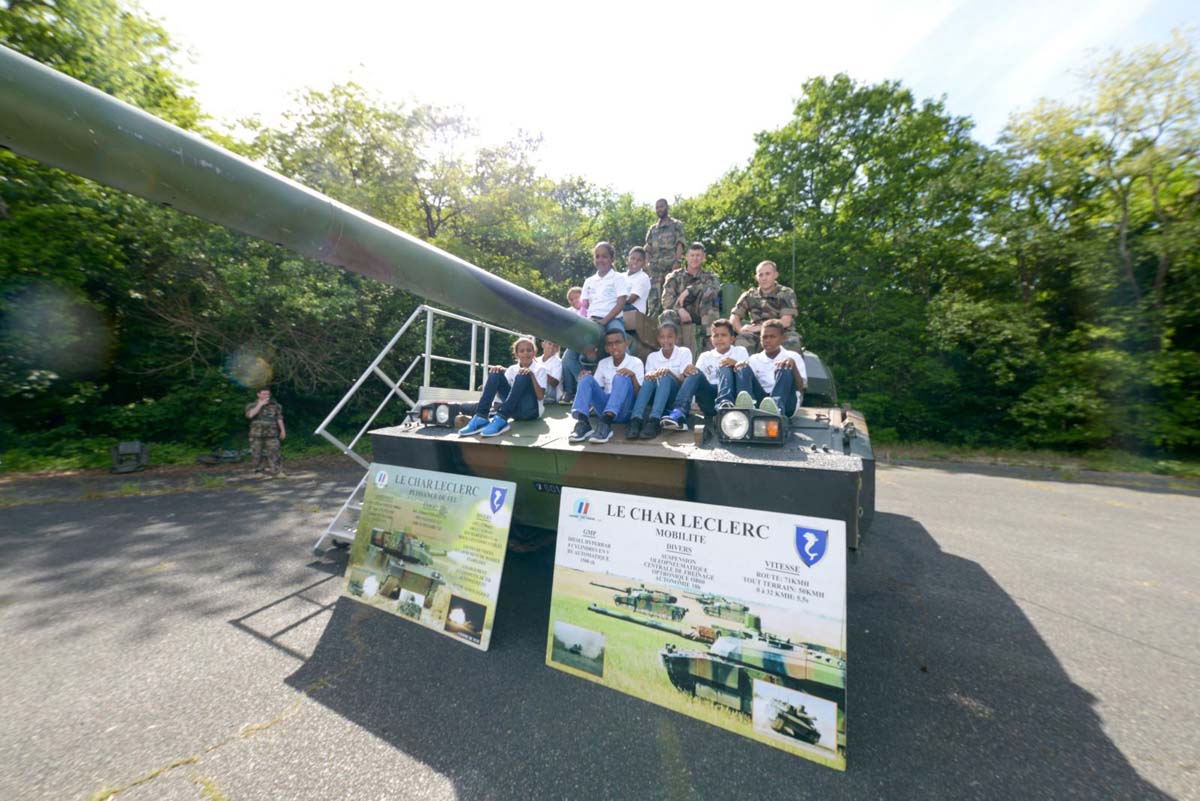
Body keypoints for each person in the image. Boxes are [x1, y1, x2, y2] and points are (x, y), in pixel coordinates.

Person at [563, 243, 628, 402]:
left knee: (621, 343)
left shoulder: (618, 278)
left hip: (612, 319)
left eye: (604, 256)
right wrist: (584, 324)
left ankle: (627, 381)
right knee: (569, 358)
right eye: (597, 256)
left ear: (612, 259)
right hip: (591, 321)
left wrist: (604, 321)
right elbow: (584, 307)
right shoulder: (589, 281)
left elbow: (620, 303)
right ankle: (588, 386)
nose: (600, 259)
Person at [661, 319, 749, 431]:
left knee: (725, 366)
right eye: (715, 336)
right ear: (711, 339)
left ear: (732, 338)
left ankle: (725, 404)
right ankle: (679, 412)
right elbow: (697, 377)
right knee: (695, 372)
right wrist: (690, 371)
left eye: (723, 335)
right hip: (710, 397)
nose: (719, 338)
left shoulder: (740, 351)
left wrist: (735, 364)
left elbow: (746, 375)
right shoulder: (705, 356)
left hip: (732, 396)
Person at [457, 337, 547, 437]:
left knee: (524, 375)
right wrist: (499, 373)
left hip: (531, 411)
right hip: (513, 411)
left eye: (529, 350)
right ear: (517, 354)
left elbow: (540, 397)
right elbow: (503, 394)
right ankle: (481, 417)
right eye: (522, 351)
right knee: (496, 372)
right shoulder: (512, 369)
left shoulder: (540, 369)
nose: (526, 353)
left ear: (534, 353)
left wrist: (531, 375)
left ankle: (502, 417)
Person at [569, 328, 644, 444]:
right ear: (606, 348)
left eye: (618, 342)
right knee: (586, 378)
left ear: (626, 343)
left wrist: (633, 377)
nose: (614, 347)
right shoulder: (603, 363)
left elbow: (640, 395)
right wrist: (584, 380)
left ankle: (605, 425)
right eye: (610, 344)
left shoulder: (636, 362)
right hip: (604, 409)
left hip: (624, 409)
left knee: (621, 377)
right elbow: (595, 390)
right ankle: (583, 422)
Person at [627, 322, 692, 440]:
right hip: (657, 397)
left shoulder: (684, 352)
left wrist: (668, 372)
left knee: (664, 376)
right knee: (648, 379)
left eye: (670, 336)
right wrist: (651, 375)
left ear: (676, 338)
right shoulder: (652, 357)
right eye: (662, 337)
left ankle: (654, 420)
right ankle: (635, 419)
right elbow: (649, 382)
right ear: (658, 339)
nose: (666, 340)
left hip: (675, 397)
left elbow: (685, 383)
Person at [733, 319, 807, 417]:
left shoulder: (793, 356)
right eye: (764, 337)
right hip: (762, 400)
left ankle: (776, 407)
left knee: (785, 367)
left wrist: (793, 366)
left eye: (772, 337)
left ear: (782, 339)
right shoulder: (754, 359)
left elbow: (801, 388)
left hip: (786, 403)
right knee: (743, 368)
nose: (768, 340)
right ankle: (747, 407)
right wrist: (741, 366)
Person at [660, 242, 722, 352]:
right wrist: (680, 310)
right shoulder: (674, 276)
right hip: (680, 314)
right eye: (692, 255)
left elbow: (715, 288)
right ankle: (672, 350)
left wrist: (689, 290)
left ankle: (711, 341)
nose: (695, 258)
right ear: (686, 257)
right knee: (667, 314)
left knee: (709, 292)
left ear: (703, 257)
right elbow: (666, 300)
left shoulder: (710, 276)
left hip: (702, 313)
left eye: (698, 255)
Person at [730, 260, 802, 352]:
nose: (764, 278)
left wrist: (758, 328)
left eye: (767, 274)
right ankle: (743, 366)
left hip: (782, 332)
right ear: (756, 277)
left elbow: (785, 322)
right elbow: (734, 317)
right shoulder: (750, 295)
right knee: (741, 341)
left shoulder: (785, 293)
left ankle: (788, 366)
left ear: (775, 275)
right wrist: (740, 330)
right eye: (761, 275)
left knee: (792, 342)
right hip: (756, 334)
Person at [644, 198, 686, 320]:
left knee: (670, 297)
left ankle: (671, 322)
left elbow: (680, 243)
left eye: (661, 206)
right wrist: (647, 264)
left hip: (670, 266)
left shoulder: (676, 224)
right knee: (653, 299)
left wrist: (677, 261)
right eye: (657, 207)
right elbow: (648, 248)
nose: (659, 209)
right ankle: (651, 324)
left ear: (667, 207)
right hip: (655, 269)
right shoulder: (653, 229)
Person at [245, 387, 286, 476]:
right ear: (258, 394)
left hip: (272, 434)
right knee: (257, 453)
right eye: (264, 394)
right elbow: (250, 415)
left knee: (274, 452)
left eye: (268, 394)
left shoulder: (275, 406)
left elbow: (279, 419)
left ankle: (277, 471)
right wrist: (260, 405)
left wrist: (283, 430)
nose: (266, 396)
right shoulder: (251, 405)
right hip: (256, 434)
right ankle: (259, 471)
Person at [622, 246, 652, 315]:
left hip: (634, 310)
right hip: (621, 306)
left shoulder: (643, 277)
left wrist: (613, 303)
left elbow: (631, 299)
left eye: (639, 260)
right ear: (627, 260)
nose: (635, 262)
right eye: (632, 258)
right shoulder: (621, 276)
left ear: (644, 264)